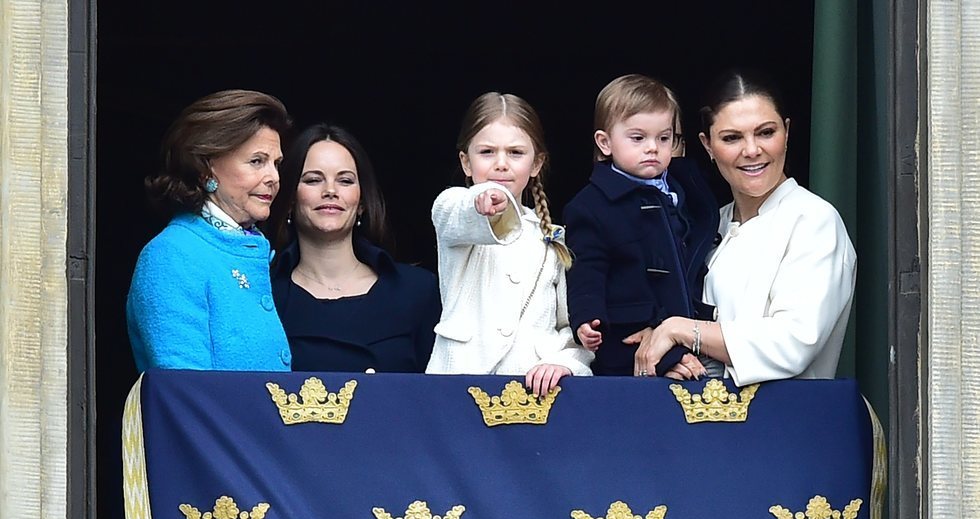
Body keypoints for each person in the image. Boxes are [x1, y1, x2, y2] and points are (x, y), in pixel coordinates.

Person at [639, 69, 857, 385]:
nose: (752, 150)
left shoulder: (814, 220)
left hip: (784, 426)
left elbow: (793, 343)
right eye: (731, 138)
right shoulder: (706, 225)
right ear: (708, 146)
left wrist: (682, 330)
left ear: (787, 131)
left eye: (766, 132)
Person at [425, 92, 593, 396]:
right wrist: (480, 203)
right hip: (456, 387)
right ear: (465, 161)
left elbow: (573, 327)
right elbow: (452, 212)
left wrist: (564, 362)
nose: (501, 164)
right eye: (487, 152)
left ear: (536, 163)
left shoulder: (555, 238)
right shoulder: (457, 209)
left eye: (515, 153)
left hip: (533, 397)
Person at [563, 74, 720, 376]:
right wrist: (586, 318)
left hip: (687, 331)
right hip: (627, 339)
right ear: (605, 142)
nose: (653, 148)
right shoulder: (589, 206)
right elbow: (586, 270)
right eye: (638, 138)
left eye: (664, 138)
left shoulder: (683, 188)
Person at [126, 89, 293, 372]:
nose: (274, 178)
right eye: (257, 161)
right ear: (206, 168)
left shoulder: (245, 247)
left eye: (276, 164)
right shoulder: (172, 256)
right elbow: (186, 392)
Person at [266, 124, 441, 372]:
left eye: (345, 180)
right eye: (314, 180)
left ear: (361, 203)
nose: (330, 191)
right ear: (291, 199)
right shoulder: (265, 293)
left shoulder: (417, 291)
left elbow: (439, 397)